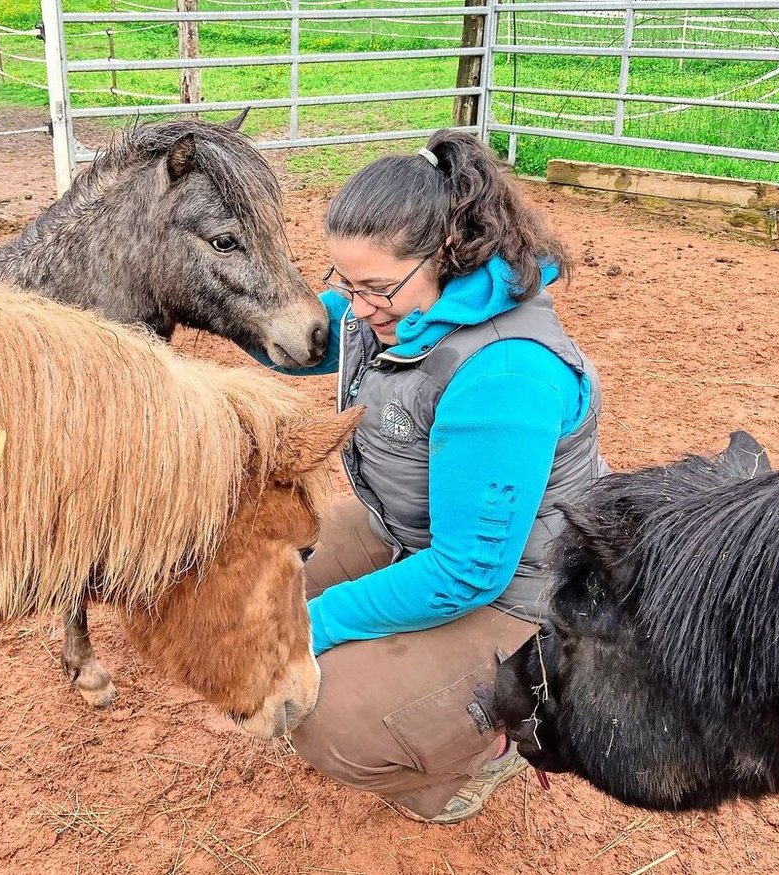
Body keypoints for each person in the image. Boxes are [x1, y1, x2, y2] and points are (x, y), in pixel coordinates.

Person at [259, 128, 609, 824]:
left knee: (327, 716)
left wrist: (316, 624)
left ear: (447, 254)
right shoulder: (399, 306)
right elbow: (307, 334)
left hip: (522, 588)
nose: (355, 308)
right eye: (345, 283)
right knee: (262, 572)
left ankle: (494, 739)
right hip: (411, 525)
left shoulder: (506, 373)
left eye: (374, 289)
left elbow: (467, 571)